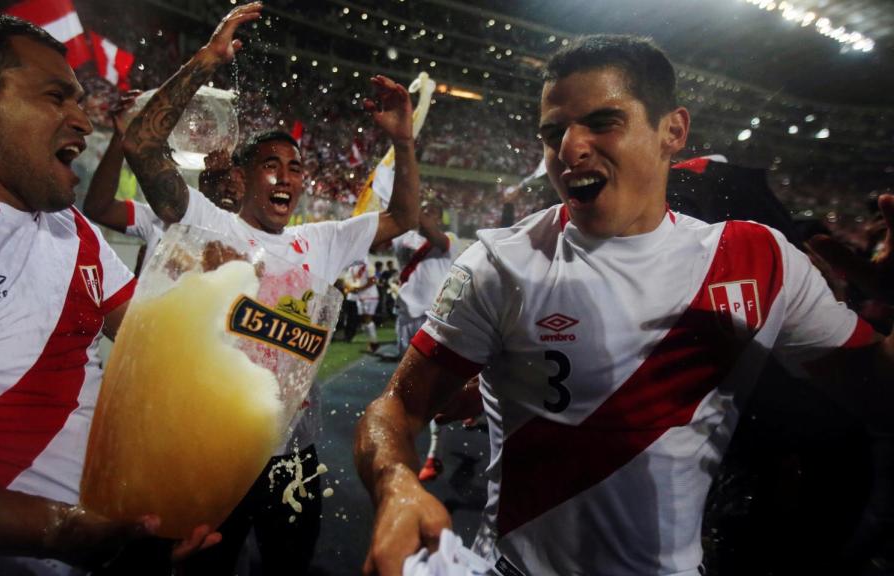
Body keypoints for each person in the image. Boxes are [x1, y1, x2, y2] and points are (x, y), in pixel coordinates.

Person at [354, 34, 894, 576]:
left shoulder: (757, 261)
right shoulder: (499, 263)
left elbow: (877, 393)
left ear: (672, 131)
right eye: (553, 132)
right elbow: (396, 407)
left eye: (602, 121)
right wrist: (395, 483)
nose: (569, 148)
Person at [0, 11, 219, 576]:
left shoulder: (71, 230)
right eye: (58, 96)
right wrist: (59, 529)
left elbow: (156, 352)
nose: (82, 120)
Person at [121, 3, 420, 574]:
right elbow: (141, 146)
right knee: (204, 564)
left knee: (290, 563)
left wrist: (403, 143)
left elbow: (404, 216)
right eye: (270, 164)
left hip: (294, 455)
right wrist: (207, 60)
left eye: (296, 166)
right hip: (213, 445)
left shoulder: (322, 241)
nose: (286, 176)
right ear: (245, 175)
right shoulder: (209, 223)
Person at [82, 97, 243, 276]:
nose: (231, 189)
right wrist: (121, 136)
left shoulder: (252, 244)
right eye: (224, 179)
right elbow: (99, 208)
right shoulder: (163, 217)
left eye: (241, 182)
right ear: (207, 176)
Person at [391, 200, 462, 481]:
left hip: (434, 319)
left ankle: (434, 453)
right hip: (406, 317)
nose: (427, 214)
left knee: (431, 387)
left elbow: (433, 235)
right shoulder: (403, 239)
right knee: (406, 386)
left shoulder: (449, 240)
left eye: (432, 210)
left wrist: (411, 212)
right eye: (423, 208)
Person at [343, 260, 381, 353]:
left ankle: (374, 343)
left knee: (367, 319)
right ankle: (372, 342)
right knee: (364, 321)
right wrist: (350, 288)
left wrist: (359, 289)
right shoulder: (352, 265)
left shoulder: (368, 264)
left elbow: (372, 280)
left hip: (369, 296)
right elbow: (347, 280)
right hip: (359, 296)